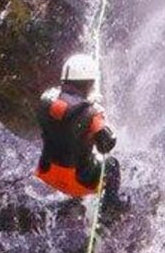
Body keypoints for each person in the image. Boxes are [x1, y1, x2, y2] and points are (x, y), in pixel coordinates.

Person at [35, 53, 121, 208]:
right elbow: (106, 146)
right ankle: (111, 206)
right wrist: (98, 114)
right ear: (89, 83)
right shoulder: (92, 114)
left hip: (46, 172)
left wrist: (87, 106)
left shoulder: (45, 99)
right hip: (77, 182)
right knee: (112, 164)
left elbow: (64, 113)